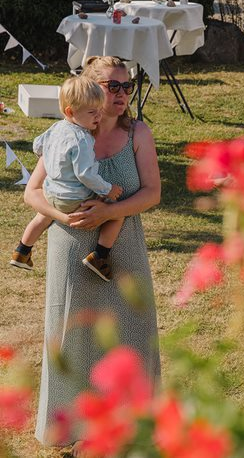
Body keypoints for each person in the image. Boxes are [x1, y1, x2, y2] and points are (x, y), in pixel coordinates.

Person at [25, 56, 161, 451]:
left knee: (130, 334)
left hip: (123, 250)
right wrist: (61, 217)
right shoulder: (66, 132)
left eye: (127, 85)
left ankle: (131, 429)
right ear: (90, 87)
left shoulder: (139, 132)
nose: (122, 94)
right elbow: (32, 192)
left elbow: (152, 193)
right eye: (111, 86)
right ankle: (69, 430)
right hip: (69, 247)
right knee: (71, 338)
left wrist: (109, 211)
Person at [12, 76, 124, 281]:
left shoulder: (56, 128)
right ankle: (100, 255)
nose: (98, 116)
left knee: (42, 216)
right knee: (117, 213)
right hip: (74, 199)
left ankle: (22, 250)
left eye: (99, 110)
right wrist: (107, 190)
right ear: (70, 112)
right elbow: (85, 174)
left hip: (51, 193)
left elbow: (38, 144)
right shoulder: (82, 139)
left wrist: (52, 155)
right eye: (92, 112)